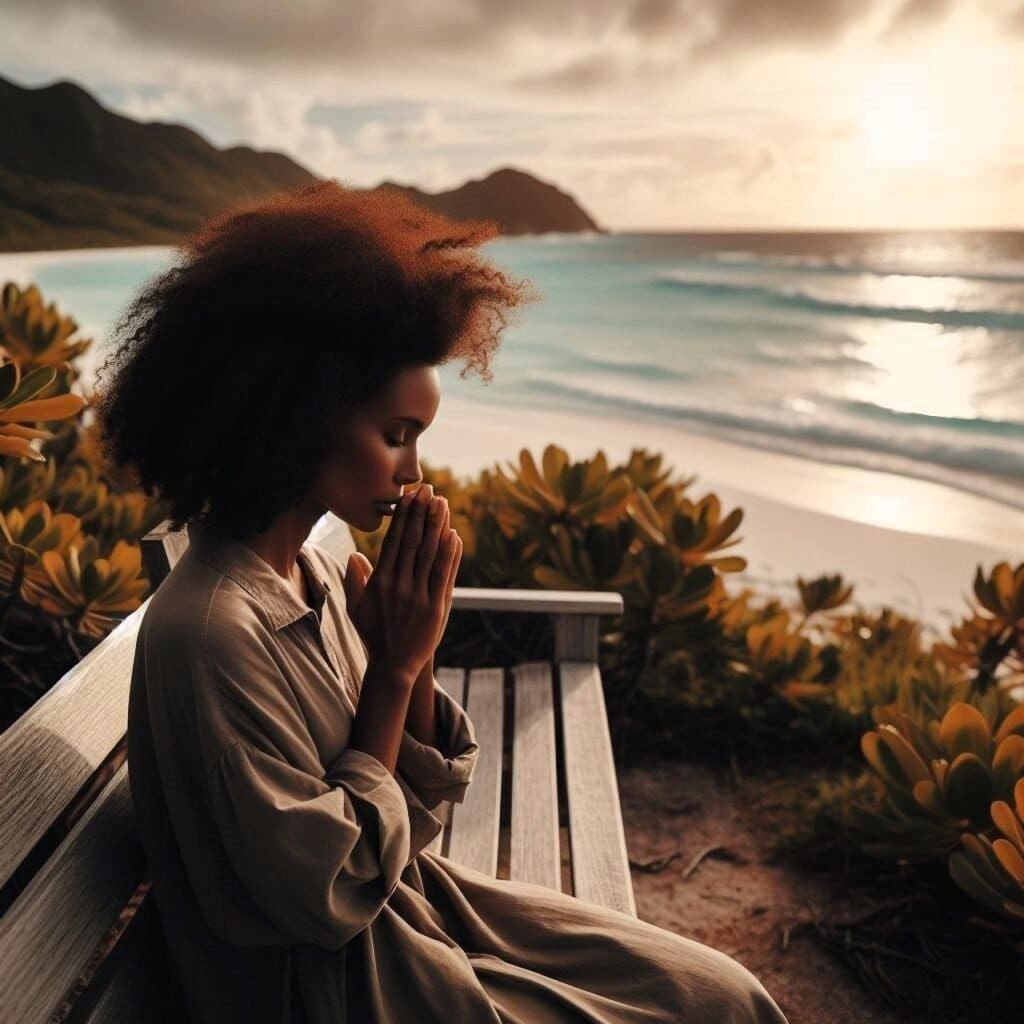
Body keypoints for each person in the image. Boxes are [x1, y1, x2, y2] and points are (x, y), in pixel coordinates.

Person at [94, 180, 789, 1023]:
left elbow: (406, 818)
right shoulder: (212, 634)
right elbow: (329, 891)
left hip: (408, 912)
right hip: (339, 991)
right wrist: (391, 671)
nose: (413, 471)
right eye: (396, 436)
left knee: (726, 994)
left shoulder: (310, 574)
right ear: (294, 417)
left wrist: (412, 661)